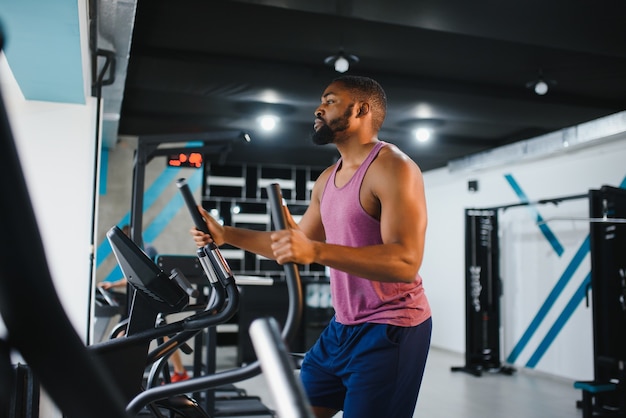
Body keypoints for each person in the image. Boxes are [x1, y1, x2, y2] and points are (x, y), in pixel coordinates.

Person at [189, 75, 432, 418]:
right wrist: (225, 234)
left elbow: (405, 261)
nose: (318, 108)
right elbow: (290, 247)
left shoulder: (394, 167)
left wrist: (315, 252)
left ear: (361, 109)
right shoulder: (326, 180)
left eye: (330, 101)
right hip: (341, 328)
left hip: (391, 328)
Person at [98, 225, 189, 383]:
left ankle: (180, 373)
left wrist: (113, 285)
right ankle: (119, 372)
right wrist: (112, 286)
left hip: (154, 298)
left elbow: (150, 276)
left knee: (163, 334)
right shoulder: (135, 252)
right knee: (122, 333)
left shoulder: (148, 250)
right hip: (142, 298)